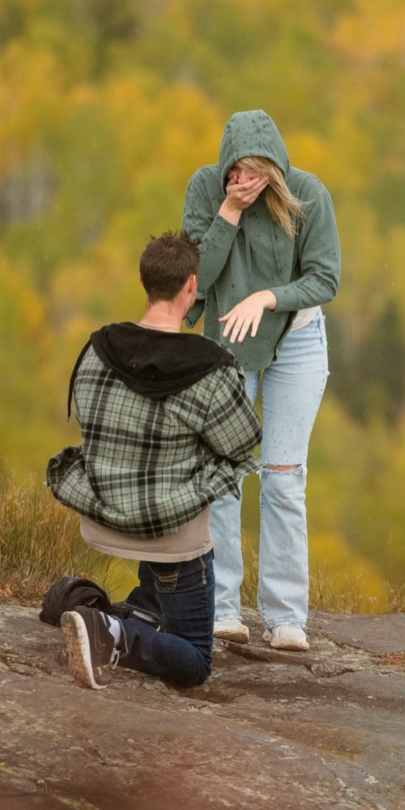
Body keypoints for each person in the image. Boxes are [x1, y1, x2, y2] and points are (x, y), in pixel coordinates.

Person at [45, 232, 261, 689]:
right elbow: (243, 444)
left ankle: (79, 602)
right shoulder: (212, 367)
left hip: (102, 520)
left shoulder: (96, 349)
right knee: (196, 662)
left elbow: (91, 423)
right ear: (191, 287)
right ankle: (112, 635)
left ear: (142, 279)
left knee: (164, 466)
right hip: (171, 539)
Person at [181, 109, 340, 652]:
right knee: (224, 475)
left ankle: (286, 618)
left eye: (257, 170)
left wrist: (267, 296)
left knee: (282, 475)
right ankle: (223, 608)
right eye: (237, 170)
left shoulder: (306, 192)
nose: (245, 179)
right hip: (229, 338)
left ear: (275, 165)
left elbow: (326, 277)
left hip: (295, 337)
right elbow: (196, 278)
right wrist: (227, 211)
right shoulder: (206, 189)